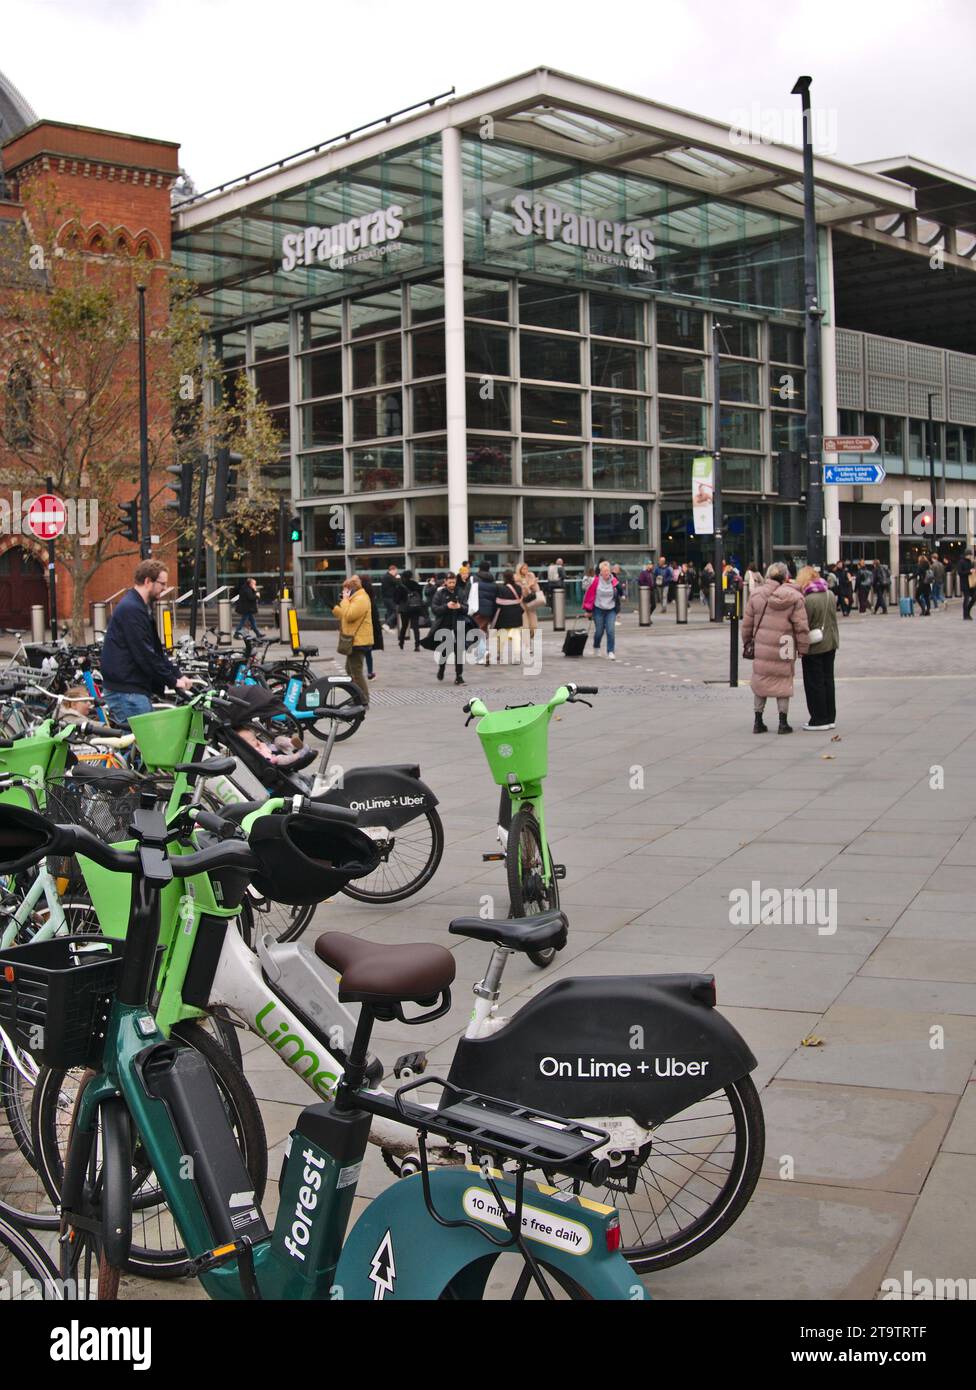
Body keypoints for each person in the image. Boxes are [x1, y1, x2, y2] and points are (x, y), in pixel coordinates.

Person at [100, 560, 193, 726]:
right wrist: (172, 681)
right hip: (126, 691)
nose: (165, 588)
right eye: (162, 583)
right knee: (147, 745)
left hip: (130, 689)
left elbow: (156, 651)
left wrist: (177, 675)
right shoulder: (132, 609)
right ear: (148, 581)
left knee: (144, 743)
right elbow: (144, 654)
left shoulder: (139, 607)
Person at [740, 561, 810, 734]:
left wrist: (747, 642)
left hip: (763, 646)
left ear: (768, 575)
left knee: (761, 681)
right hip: (784, 647)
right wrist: (803, 648)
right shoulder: (794, 597)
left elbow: (747, 625)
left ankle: (758, 721)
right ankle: (782, 723)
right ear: (786, 577)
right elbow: (801, 626)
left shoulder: (756, 595)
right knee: (783, 683)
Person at [796, 564, 839, 731]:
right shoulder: (830, 594)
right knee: (828, 679)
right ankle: (830, 717)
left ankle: (818, 718)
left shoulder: (808, 600)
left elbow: (804, 624)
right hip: (831, 642)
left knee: (815, 682)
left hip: (815, 644)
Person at [426, 571, 474, 683]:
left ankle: (459, 676)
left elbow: (467, 609)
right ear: (445, 582)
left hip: (459, 625)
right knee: (445, 651)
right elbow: (434, 609)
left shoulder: (461, 592)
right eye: (450, 582)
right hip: (444, 626)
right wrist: (446, 606)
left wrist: (459, 606)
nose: (452, 584)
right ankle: (441, 669)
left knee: (459, 652)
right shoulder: (440, 593)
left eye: (454, 582)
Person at [332, 574, 373, 705]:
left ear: (352, 588)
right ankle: (357, 696)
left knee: (356, 671)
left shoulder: (361, 598)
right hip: (354, 640)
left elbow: (349, 615)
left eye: (346, 590)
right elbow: (345, 616)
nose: (344, 592)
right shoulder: (355, 599)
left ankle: (363, 699)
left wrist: (344, 600)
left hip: (359, 641)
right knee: (350, 670)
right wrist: (334, 608)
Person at [582, 559, 619, 660]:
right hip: (598, 609)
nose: (607, 572)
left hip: (611, 609)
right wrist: (588, 611)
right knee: (599, 631)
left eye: (608, 570)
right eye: (604, 571)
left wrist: (622, 596)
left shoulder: (614, 581)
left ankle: (610, 651)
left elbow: (619, 592)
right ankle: (596, 646)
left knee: (611, 630)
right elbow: (587, 593)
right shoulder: (595, 581)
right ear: (601, 572)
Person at [516, 562, 542, 656]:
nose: (525, 571)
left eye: (527, 568)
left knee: (534, 626)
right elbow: (522, 592)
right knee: (525, 626)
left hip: (531, 604)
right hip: (522, 604)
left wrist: (534, 582)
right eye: (523, 569)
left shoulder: (530, 577)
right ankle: (526, 646)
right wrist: (529, 585)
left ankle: (526, 641)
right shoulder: (517, 579)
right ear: (519, 570)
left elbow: (537, 591)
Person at [473, 561, 498, 663]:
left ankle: (484, 652)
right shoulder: (492, 581)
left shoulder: (475, 579)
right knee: (482, 630)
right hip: (489, 610)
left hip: (477, 609)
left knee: (478, 631)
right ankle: (480, 656)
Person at [394, 569, 424, 651]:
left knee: (404, 626)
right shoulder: (416, 585)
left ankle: (401, 642)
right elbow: (420, 597)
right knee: (415, 627)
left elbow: (396, 600)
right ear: (411, 576)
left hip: (405, 609)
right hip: (415, 607)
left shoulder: (401, 586)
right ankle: (417, 645)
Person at [360, 575, 383, 679]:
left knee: (359, 652)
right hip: (370, 627)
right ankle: (370, 672)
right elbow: (375, 615)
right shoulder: (371, 595)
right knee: (368, 651)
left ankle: (359, 672)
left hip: (361, 627)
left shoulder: (360, 596)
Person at [379, 563, 400, 630]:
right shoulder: (389, 577)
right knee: (396, 611)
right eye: (396, 571)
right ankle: (387, 623)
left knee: (390, 611)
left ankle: (389, 626)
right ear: (392, 570)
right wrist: (398, 578)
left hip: (386, 598)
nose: (396, 573)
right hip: (390, 597)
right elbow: (398, 583)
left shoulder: (385, 576)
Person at [960, 550, 975, 620]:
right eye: (970, 555)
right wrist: (969, 571)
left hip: (971, 583)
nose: (971, 556)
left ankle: (968, 611)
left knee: (974, 597)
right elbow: (960, 573)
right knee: (966, 599)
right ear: (967, 555)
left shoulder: (970, 562)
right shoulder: (961, 562)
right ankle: (965, 615)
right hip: (965, 583)